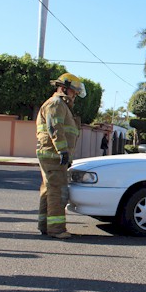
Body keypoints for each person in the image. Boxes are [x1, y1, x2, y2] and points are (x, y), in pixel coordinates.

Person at [36, 73, 86, 239]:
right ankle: (56, 229)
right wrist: (62, 151)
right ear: (64, 88)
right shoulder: (56, 104)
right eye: (74, 91)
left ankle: (45, 225)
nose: (75, 95)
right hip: (54, 155)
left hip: (52, 154)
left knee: (49, 190)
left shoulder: (62, 106)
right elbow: (55, 128)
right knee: (58, 190)